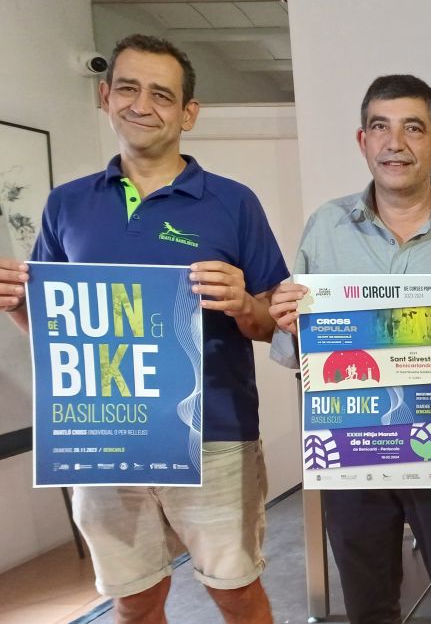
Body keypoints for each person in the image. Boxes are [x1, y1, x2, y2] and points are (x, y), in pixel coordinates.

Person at [0, 34, 287, 623]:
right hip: (104, 435)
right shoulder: (66, 205)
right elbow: (59, 335)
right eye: (128, 88)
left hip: (213, 433)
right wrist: (16, 306)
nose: (141, 105)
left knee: (236, 592)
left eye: (161, 94)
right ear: (105, 96)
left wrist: (242, 304)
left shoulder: (233, 203)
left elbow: (273, 324)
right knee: (133, 600)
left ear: (188, 113)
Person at [268, 74, 431, 624]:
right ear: (363, 141)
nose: (395, 143)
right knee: (367, 603)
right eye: (380, 127)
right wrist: (287, 324)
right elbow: (293, 351)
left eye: (413, 128)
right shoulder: (325, 228)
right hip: (351, 438)